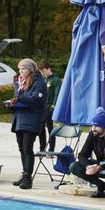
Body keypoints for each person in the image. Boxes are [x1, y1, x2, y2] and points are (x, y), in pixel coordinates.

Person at [8, 58, 46, 189]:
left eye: (23, 69)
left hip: (32, 119)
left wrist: (19, 98)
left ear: (30, 70)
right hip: (19, 119)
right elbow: (17, 99)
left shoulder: (39, 82)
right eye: (19, 69)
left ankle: (28, 178)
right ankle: (24, 174)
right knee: (21, 149)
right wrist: (11, 105)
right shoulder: (19, 83)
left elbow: (36, 100)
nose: (21, 71)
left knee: (27, 148)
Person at [37, 61, 62, 151]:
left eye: (43, 71)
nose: (42, 73)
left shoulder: (56, 80)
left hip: (49, 108)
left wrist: (53, 107)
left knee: (51, 130)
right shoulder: (42, 80)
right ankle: (42, 148)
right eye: (40, 72)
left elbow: (57, 94)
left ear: (48, 68)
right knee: (40, 129)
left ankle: (51, 149)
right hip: (41, 108)